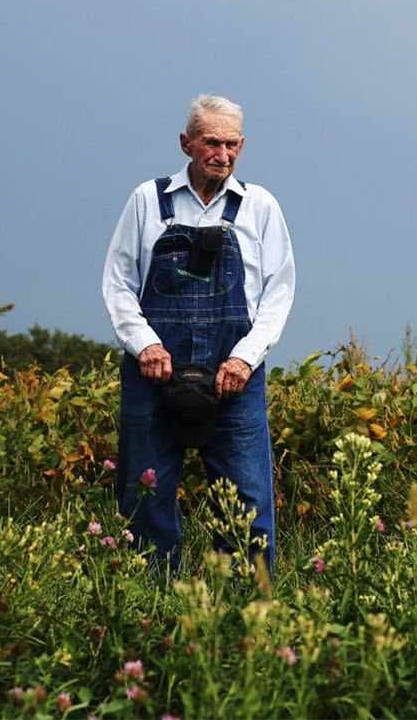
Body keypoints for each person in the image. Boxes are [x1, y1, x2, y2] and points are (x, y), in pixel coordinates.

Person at [101, 94, 296, 574]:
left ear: (242, 145)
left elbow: (279, 292)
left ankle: (246, 613)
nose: (223, 155)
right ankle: (148, 610)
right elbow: (118, 282)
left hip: (234, 378)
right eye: (211, 142)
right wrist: (143, 343)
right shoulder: (148, 200)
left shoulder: (260, 207)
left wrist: (245, 358)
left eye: (232, 144)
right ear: (186, 143)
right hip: (153, 374)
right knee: (145, 498)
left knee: (247, 503)